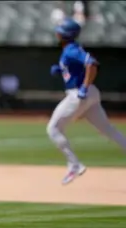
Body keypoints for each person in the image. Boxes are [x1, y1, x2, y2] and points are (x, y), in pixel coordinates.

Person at [47, 18, 126, 185]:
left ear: (65, 34)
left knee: (53, 129)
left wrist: (84, 87)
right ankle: (74, 164)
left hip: (78, 94)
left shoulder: (71, 50)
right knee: (108, 131)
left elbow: (92, 63)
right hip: (91, 94)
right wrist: (61, 69)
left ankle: (74, 164)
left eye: (60, 30)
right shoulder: (69, 49)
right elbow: (79, 66)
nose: (57, 32)